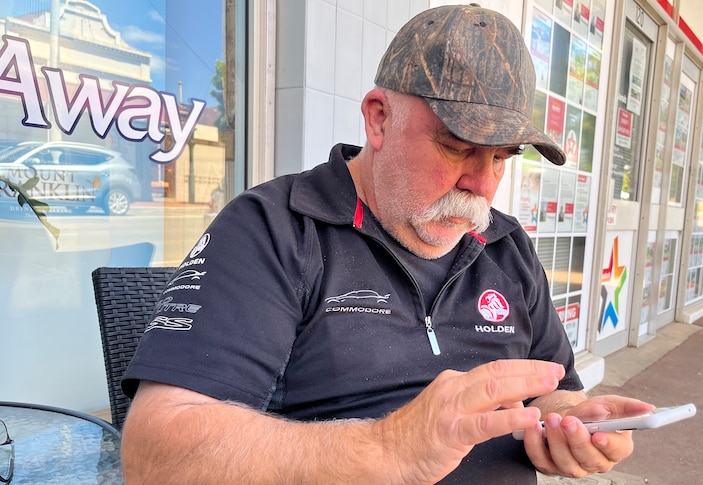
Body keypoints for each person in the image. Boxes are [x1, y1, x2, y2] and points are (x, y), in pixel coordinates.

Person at [120, 4, 654, 484]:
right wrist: (389, 447)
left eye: (501, 157)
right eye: (457, 146)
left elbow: (552, 389)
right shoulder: (276, 229)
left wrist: (572, 423)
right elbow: (156, 453)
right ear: (379, 118)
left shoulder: (506, 244)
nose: (481, 185)